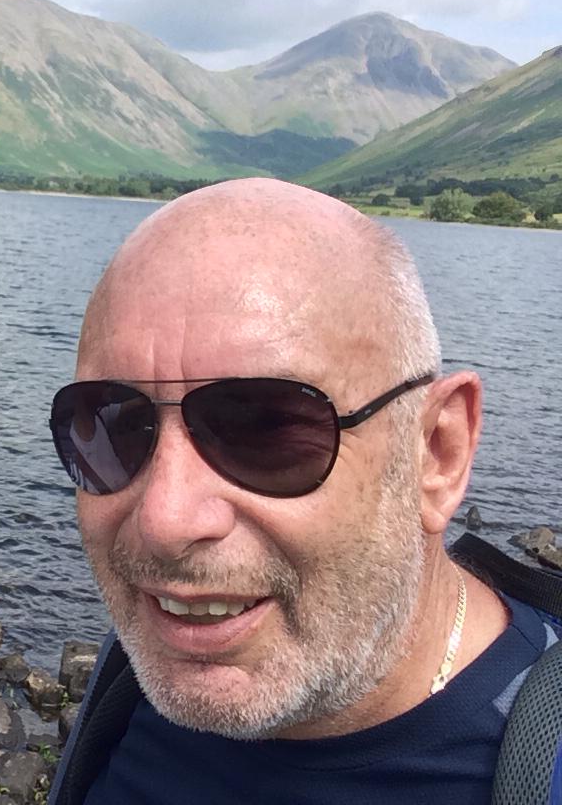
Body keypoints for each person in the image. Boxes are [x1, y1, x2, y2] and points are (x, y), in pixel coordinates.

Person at [46, 179, 559, 804]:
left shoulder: (540, 761)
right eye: (115, 427)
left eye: (264, 428)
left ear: (437, 452)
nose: (165, 517)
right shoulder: (133, 681)